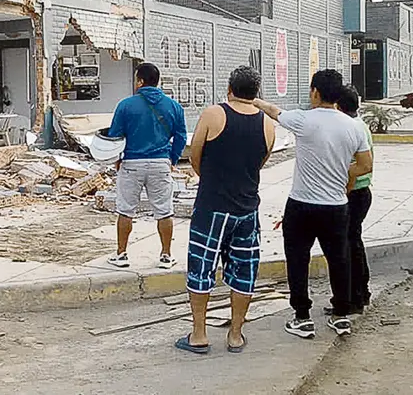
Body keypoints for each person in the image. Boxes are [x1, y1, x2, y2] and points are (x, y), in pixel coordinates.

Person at [253, 69, 372, 339]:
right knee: (338, 259)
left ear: (315, 92)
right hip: (336, 206)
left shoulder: (303, 119)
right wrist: (343, 172)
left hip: (301, 205)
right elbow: (365, 165)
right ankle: (341, 315)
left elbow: (274, 111)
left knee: (298, 260)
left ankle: (302, 316)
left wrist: (256, 101)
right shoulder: (354, 126)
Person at [175, 66, 275, 355]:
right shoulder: (267, 124)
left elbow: (195, 156)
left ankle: (199, 334)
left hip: (212, 207)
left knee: (201, 268)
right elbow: (260, 162)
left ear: (229, 88)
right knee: (244, 271)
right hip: (247, 209)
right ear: (256, 93)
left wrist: (212, 179)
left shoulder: (213, 114)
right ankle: (235, 335)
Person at [107, 62, 187, 269]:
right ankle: (166, 255)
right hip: (161, 163)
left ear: (140, 81)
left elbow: (114, 136)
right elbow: (181, 136)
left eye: (136, 79)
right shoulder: (173, 106)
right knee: (164, 211)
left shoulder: (125, 105)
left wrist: (117, 159)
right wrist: (173, 159)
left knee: (125, 210)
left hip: (132, 163)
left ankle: (122, 254)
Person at [322, 85, 374, 317]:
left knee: (346, 247)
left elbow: (358, 165)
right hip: (362, 194)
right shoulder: (361, 125)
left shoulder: (350, 128)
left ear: (338, 106)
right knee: (354, 243)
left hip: (352, 194)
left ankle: (351, 298)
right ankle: (360, 294)